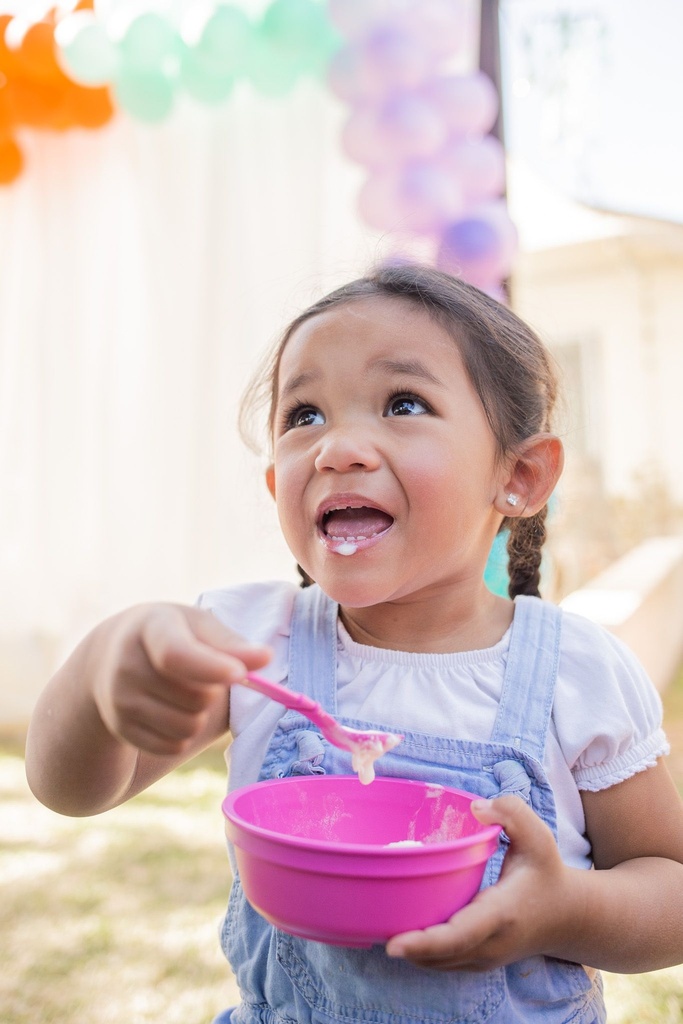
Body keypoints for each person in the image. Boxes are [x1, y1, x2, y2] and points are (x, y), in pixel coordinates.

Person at [25, 263, 683, 1024]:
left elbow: (666, 883)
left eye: (402, 403)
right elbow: (68, 789)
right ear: (278, 486)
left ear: (520, 477)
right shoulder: (251, 642)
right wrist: (108, 669)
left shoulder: (577, 673)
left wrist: (565, 907)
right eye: (303, 415)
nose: (337, 447)